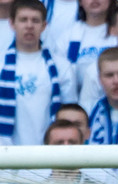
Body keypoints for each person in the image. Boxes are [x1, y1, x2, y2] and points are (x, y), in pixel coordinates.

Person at [0, 0, 77, 146]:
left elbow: (69, 117)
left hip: (49, 156)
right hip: (5, 158)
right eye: (23, 20)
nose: (29, 26)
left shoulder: (62, 67)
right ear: (12, 24)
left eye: (35, 20)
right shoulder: (1, 64)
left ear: (44, 26)